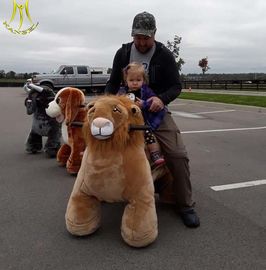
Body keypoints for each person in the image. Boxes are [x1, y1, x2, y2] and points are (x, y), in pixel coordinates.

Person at [105, 11, 200, 228]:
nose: (141, 41)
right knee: (102, 143)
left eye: (146, 37)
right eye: (137, 37)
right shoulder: (123, 53)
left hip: (155, 112)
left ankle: (185, 204)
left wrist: (161, 98)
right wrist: (109, 103)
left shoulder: (164, 55)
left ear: (154, 34)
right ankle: (100, 192)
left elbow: (176, 86)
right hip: (126, 112)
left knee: (177, 154)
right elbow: (111, 84)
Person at [119, 61, 165, 167]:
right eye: (131, 80)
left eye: (138, 80)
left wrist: (144, 104)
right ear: (126, 80)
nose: (135, 83)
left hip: (141, 121)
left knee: (149, 135)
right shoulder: (122, 92)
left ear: (143, 80)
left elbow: (152, 102)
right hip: (126, 121)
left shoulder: (146, 91)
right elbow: (117, 102)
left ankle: (155, 154)